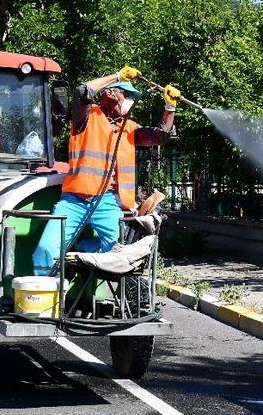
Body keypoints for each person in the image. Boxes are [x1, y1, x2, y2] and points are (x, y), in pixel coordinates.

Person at [32, 65, 180, 275]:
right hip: (74, 201)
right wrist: (117, 76)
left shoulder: (129, 128)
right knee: (46, 249)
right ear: (110, 92)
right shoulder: (85, 117)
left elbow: (160, 136)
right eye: (126, 94)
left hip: (107, 201)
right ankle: (44, 295)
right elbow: (82, 91)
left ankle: (80, 249)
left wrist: (169, 108)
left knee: (120, 252)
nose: (130, 100)